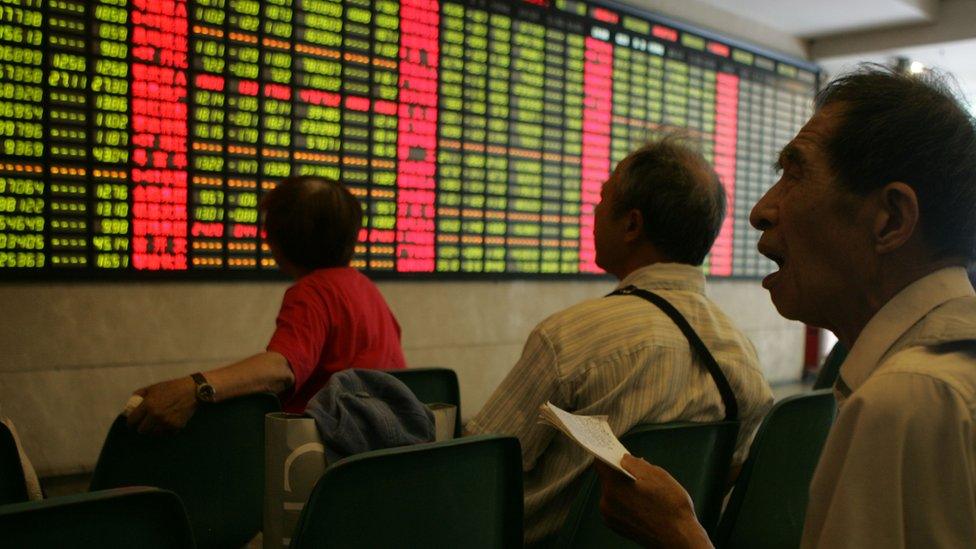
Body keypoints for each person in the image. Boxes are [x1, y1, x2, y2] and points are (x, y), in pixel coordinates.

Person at [597, 65, 976, 548]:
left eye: (795, 173)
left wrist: (677, 537)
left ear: (891, 219)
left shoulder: (906, 402)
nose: (760, 210)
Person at [466, 138, 774, 546]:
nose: (592, 212)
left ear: (631, 225)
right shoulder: (742, 355)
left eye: (600, 198)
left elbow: (476, 469)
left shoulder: (567, 339)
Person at [127, 177, 407, 433]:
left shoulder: (312, 291)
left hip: (316, 460)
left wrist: (194, 388)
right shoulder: (367, 289)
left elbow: (280, 368)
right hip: (370, 459)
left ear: (276, 241)